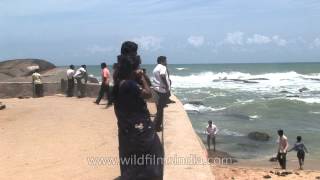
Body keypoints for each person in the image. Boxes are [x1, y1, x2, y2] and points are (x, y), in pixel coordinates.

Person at [113, 41, 163, 180]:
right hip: (139, 130)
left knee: (130, 163)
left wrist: (141, 76)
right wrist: (141, 77)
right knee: (152, 161)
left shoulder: (119, 77)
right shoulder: (129, 83)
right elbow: (148, 93)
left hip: (126, 128)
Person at [152, 56, 170, 132]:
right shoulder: (163, 67)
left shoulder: (155, 68)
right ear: (163, 61)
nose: (166, 62)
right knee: (160, 110)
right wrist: (166, 85)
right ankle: (155, 126)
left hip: (156, 90)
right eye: (166, 60)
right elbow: (162, 75)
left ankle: (156, 126)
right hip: (162, 90)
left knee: (159, 108)